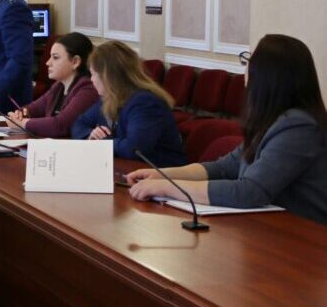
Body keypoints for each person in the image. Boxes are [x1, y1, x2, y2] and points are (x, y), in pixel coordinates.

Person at [127, 35, 327, 225]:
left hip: (307, 237)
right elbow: (223, 168)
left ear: (268, 76)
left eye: (249, 61)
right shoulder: (271, 120)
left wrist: (168, 187)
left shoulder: (298, 126)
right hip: (273, 227)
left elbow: (249, 191)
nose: (245, 69)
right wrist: (162, 175)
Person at [71, 41, 186, 167]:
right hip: (128, 168)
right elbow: (79, 124)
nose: (91, 79)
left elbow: (134, 149)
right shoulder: (109, 98)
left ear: (107, 76)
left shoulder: (145, 103)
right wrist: (91, 134)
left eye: (93, 74)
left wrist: (102, 142)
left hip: (160, 172)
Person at [6, 33, 99, 138]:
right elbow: (33, 108)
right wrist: (20, 114)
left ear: (75, 62)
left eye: (55, 57)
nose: (48, 63)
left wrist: (23, 123)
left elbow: (60, 126)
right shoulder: (59, 85)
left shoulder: (88, 89)